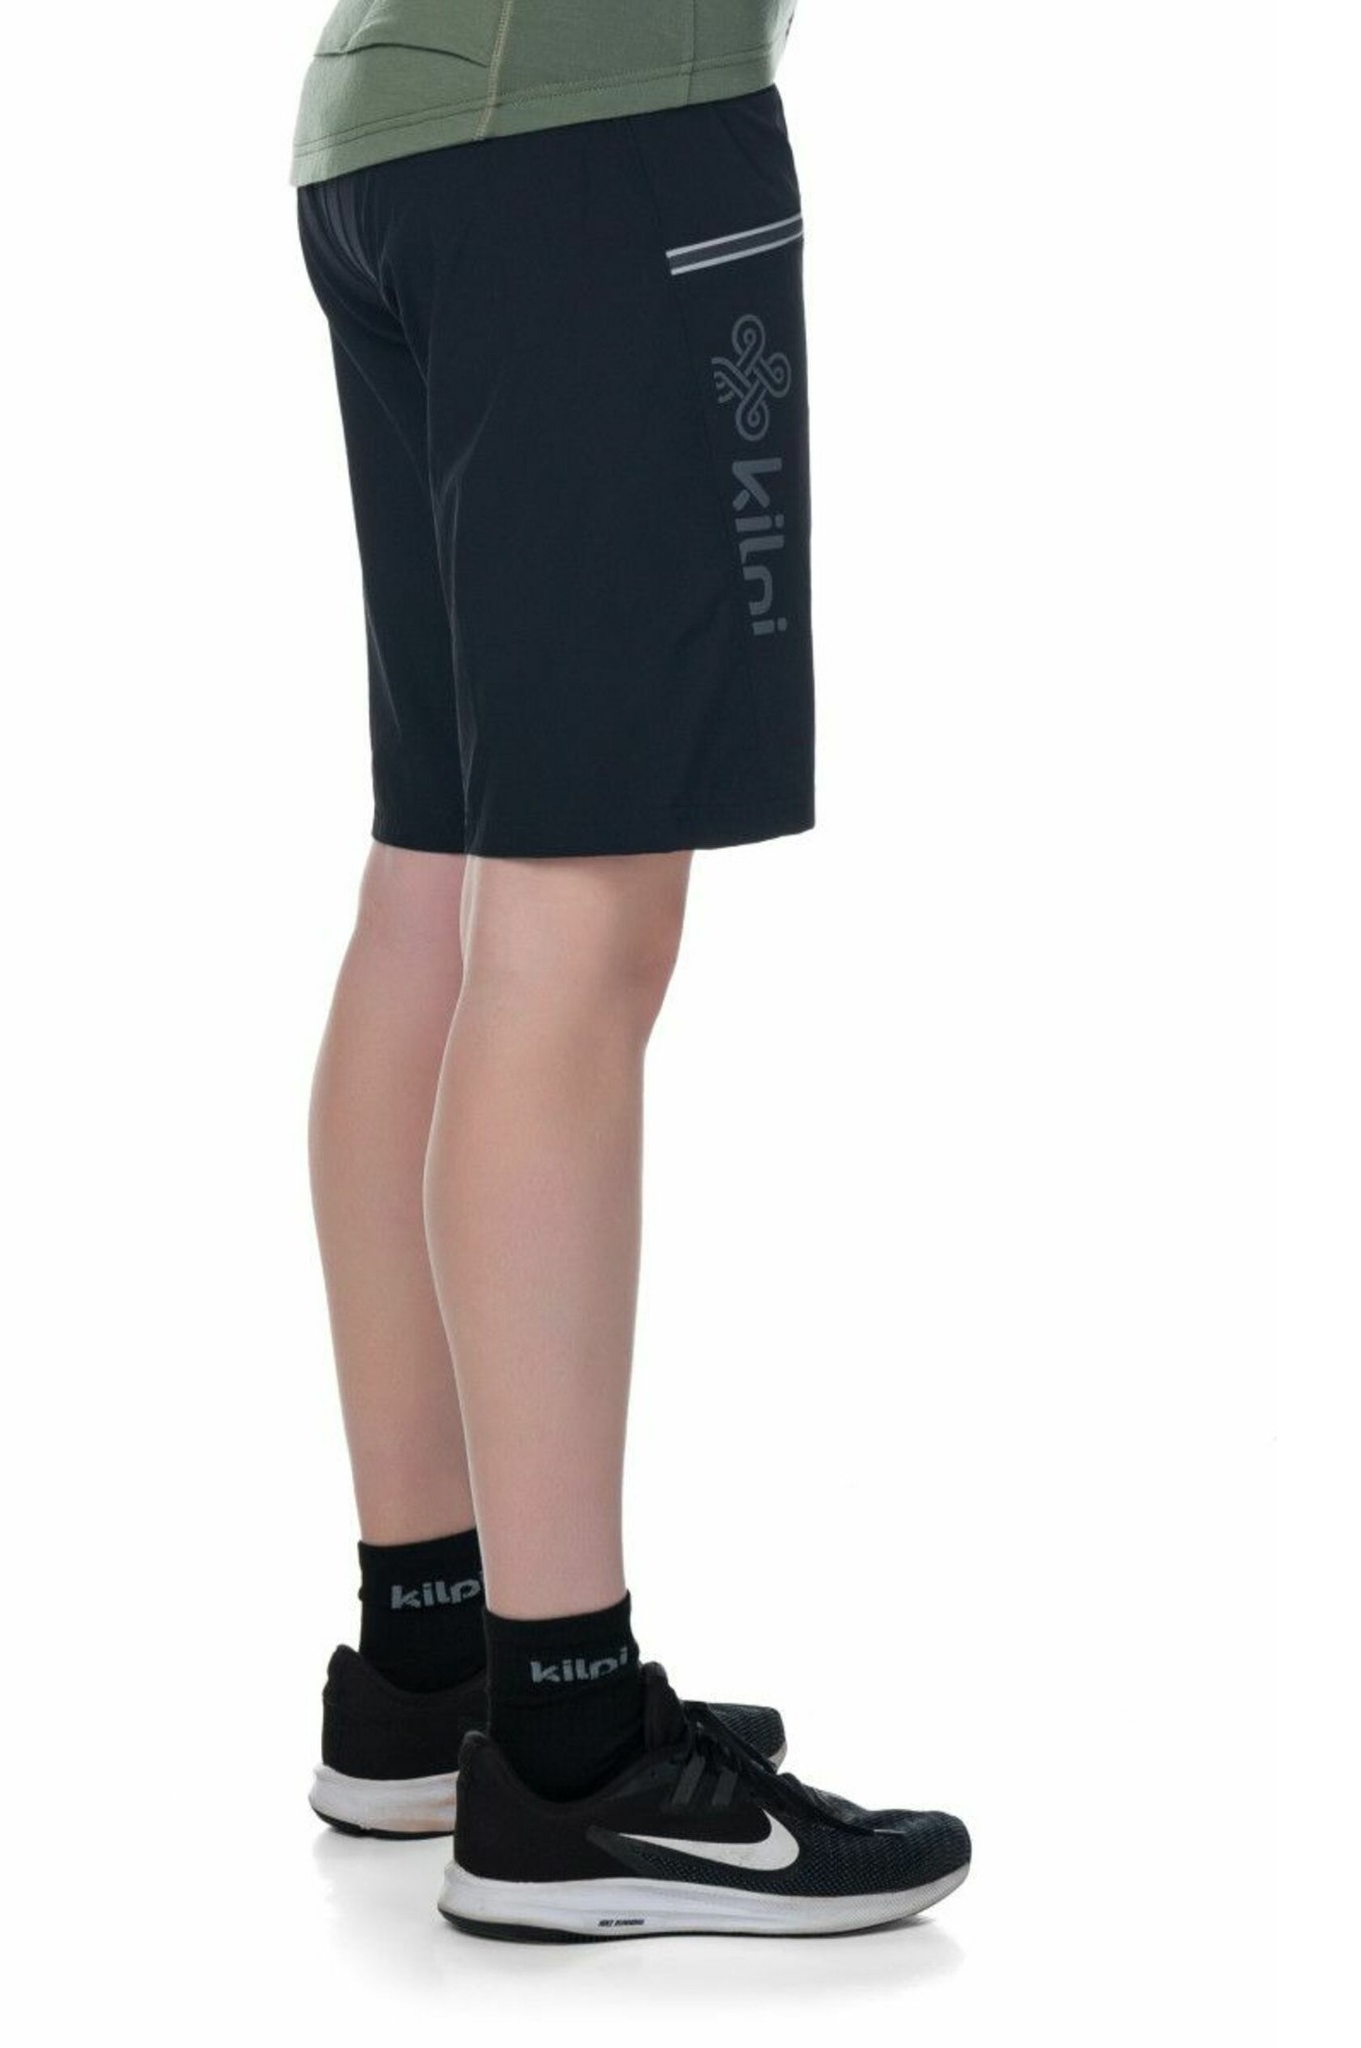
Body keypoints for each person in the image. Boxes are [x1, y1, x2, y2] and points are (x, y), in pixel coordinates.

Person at [293, 0, 969, 1940]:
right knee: (576, 921)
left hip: (401, 127)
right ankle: (572, 1747)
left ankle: (433, 1656)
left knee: (441, 879)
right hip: (596, 133)